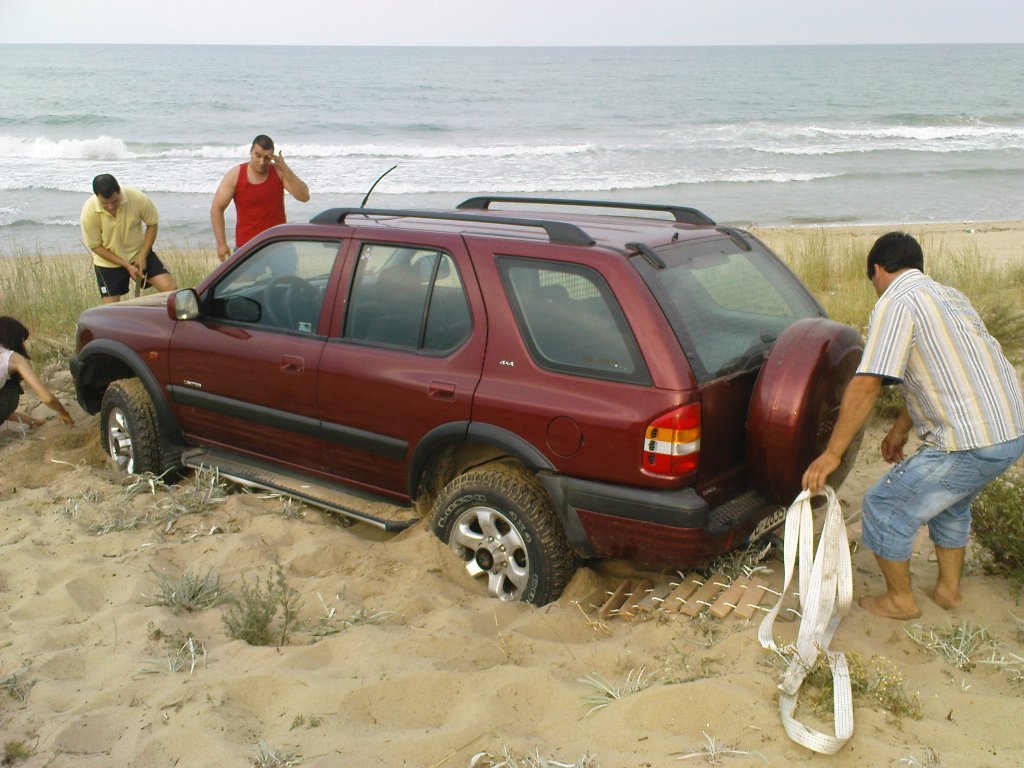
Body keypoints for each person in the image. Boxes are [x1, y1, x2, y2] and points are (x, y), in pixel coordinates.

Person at [803, 232, 1024, 620]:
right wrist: (900, 429)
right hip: (1010, 431)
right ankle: (948, 593)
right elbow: (935, 373)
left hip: (971, 440)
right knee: (950, 502)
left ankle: (900, 601)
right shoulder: (950, 296)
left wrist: (832, 454)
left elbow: (868, 383)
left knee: (885, 504)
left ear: (877, 270)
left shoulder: (895, 302)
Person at [210, 135, 311, 262]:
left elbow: (304, 196)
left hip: (278, 244)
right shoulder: (236, 174)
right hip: (247, 246)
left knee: (287, 275)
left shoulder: (279, 172)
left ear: (272, 157)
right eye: (258, 155)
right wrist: (221, 243)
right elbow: (216, 208)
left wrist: (285, 168)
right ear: (251, 151)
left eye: (266, 158)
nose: (262, 162)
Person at [80, 174, 177, 304]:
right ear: (97, 197)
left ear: (119, 191)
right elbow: (96, 247)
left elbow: (152, 224)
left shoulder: (137, 198)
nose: (111, 207)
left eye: (115, 201)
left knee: (172, 290)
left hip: (139, 254)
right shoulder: (88, 212)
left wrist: (143, 255)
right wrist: (126, 265)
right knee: (110, 309)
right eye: (105, 203)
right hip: (108, 262)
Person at [0, 316, 74, 428]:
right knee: (11, 389)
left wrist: (32, 421)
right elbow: (47, 398)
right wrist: (64, 414)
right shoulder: (13, 358)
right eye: (22, 341)